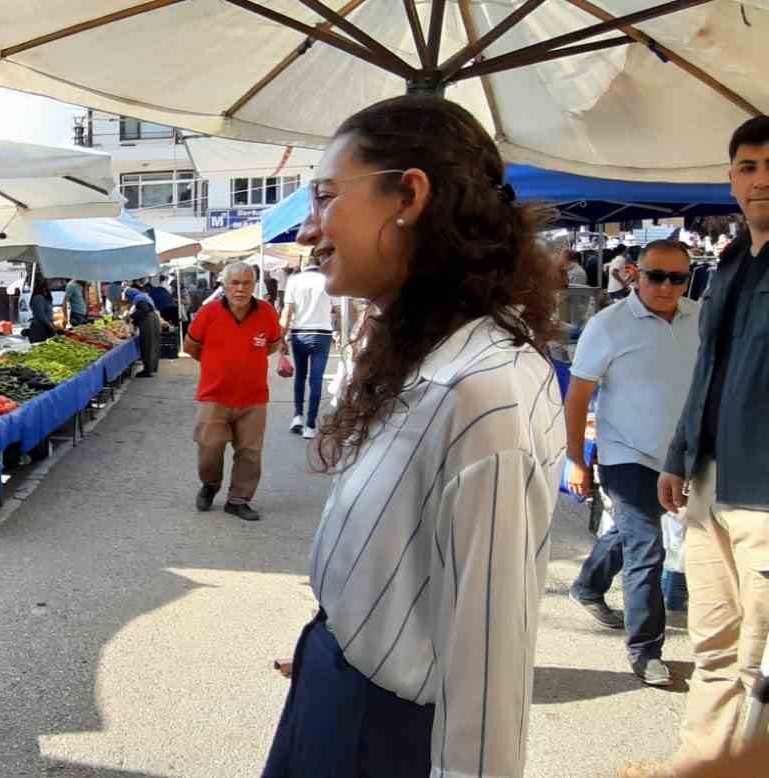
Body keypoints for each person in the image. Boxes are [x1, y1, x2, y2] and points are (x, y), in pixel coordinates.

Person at [264, 95, 565, 777]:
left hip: (387, 737)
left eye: (325, 197)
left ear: (409, 195)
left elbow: (490, 661)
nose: (311, 230)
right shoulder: (427, 354)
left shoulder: (481, 391)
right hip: (338, 686)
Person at [635, 116, 769, 778]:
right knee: (713, 648)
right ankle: (702, 764)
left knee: (762, 663)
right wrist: (679, 451)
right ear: (731, 179)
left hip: (766, 494)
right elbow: (709, 368)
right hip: (711, 483)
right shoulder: (734, 261)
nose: (761, 179)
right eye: (747, 167)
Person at [563, 239, 700, 688]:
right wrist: (575, 460)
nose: (666, 286)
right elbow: (578, 396)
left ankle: (587, 585)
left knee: (628, 530)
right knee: (648, 549)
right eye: (656, 275)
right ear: (635, 275)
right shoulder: (608, 325)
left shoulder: (701, 318)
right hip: (626, 455)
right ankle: (646, 651)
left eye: (677, 277)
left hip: (678, 456)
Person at [184, 262, 283, 521]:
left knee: (249, 452)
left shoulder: (267, 313)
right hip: (214, 395)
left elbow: (272, 345)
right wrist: (217, 367)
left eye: (246, 283)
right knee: (209, 446)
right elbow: (191, 346)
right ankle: (210, 484)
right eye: (235, 283)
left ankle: (238, 500)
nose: (240, 289)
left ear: (254, 285)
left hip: (253, 397)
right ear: (224, 285)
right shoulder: (208, 312)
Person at [280, 256, 333, 439]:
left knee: (300, 377)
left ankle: (297, 416)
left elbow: (287, 312)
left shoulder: (294, 281)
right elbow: (338, 312)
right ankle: (310, 426)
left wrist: (281, 338)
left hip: (299, 333)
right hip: (322, 334)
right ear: (320, 263)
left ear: (305, 264)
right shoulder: (330, 279)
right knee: (316, 380)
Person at [123, 286, 161, 378]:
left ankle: (147, 371)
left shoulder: (139, 298)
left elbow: (144, 310)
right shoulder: (143, 296)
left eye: (128, 297)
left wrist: (131, 317)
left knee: (147, 345)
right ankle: (152, 369)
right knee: (153, 345)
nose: (128, 299)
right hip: (153, 319)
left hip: (148, 321)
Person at [27, 273, 56, 343]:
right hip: (39, 330)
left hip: (45, 328)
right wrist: (51, 325)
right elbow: (40, 315)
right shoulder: (38, 298)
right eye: (48, 282)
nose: (50, 285)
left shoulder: (45, 297)